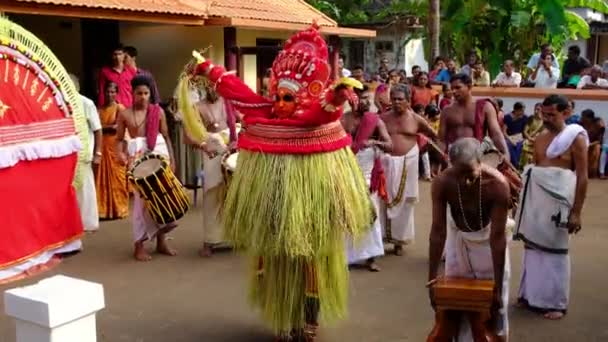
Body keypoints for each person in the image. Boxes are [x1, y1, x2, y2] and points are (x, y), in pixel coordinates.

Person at [185, 24, 372, 341]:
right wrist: (205, 68)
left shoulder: (312, 115)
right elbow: (235, 89)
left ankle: (308, 325)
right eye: (277, 96)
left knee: (312, 264)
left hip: (311, 214)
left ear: (302, 97)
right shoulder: (264, 111)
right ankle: (286, 321)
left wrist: (340, 94)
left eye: (288, 98)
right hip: (275, 215)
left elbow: (326, 110)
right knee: (278, 268)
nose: (280, 104)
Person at [428, 137, 510, 341]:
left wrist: (499, 287)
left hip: (488, 245)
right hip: (458, 243)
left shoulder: (498, 185)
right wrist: (431, 279)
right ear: (450, 164)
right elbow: (438, 232)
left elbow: (498, 239)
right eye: (459, 173)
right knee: (454, 301)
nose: (465, 180)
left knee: (492, 307)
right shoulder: (443, 182)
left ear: (481, 161)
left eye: (470, 173)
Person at [516, 94, 588, 320]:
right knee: (532, 249)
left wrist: (576, 212)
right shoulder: (539, 139)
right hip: (537, 203)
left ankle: (556, 303)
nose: (546, 119)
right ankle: (530, 296)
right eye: (543, 114)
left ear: (566, 112)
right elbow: (537, 174)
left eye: (552, 115)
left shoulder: (575, 138)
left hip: (560, 204)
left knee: (555, 252)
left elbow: (583, 177)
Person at [116, 75, 177, 262]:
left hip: (159, 156)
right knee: (141, 204)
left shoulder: (157, 112)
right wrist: (120, 153)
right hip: (137, 159)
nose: (142, 97)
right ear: (132, 94)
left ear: (151, 94)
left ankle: (161, 241)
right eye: (139, 93)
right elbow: (119, 139)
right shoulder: (125, 114)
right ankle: (139, 245)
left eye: (146, 93)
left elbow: (166, 137)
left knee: (161, 197)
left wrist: (173, 161)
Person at [380, 84, 438, 255]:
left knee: (405, 203)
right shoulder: (382, 118)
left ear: (408, 101)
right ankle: (383, 239)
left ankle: (399, 242)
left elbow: (434, 136)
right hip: (386, 164)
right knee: (383, 201)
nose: (397, 102)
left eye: (400, 99)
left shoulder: (416, 119)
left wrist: (432, 156)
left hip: (408, 163)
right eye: (394, 99)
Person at [184, 76, 237, 257]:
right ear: (205, 87)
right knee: (211, 194)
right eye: (211, 86)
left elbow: (243, 122)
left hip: (231, 153)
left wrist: (238, 139)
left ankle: (232, 237)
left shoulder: (229, 103)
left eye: (217, 86)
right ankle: (209, 241)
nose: (215, 90)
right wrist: (203, 145)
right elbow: (188, 135)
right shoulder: (196, 108)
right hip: (212, 153)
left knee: (231, 196)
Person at [342, 86, 392, 272]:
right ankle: (348, 256)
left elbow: (390, 145)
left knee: (370, 213)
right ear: (351, 100)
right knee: (346, 213)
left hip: (367, 172)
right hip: (345, 169)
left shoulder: (374, 120)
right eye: (361, 99)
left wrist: (374, 142)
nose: (365, 103)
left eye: (367, 99)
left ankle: (371, 257)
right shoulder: (342, 120)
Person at [439, 74, 509, 158]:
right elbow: (441, 140)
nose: (453, 91)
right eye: (452, 88)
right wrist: (441, 159)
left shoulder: (485, 107)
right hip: (453, 158)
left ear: (469, 87)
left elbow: (496, 133)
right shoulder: (446, 111)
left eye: (458, 87)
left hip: (477, 157)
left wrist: (505, 153)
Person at [70, 74, 103, 232]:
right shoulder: (61, 102)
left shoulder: (86, 103)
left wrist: (98, 153)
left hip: (84, 154)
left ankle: (89, 223)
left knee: (86, 189)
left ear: (76, 86)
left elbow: (97, 130)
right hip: (68, 154)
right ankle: (72, 223)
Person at [96, 81, 129, 220]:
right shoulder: (100, 110)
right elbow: (96, 128)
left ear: (117, 93)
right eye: (108, 92)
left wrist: (103, 128)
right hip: (103, 146)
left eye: (113, 92)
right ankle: (104, 210)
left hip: (115, 146)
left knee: (117, 178)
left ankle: (119, 209)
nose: (110, 94)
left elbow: (117, 128)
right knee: (101, 178)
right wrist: (106, 128)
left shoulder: (119, 108)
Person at [580, 109, 605, 179]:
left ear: (589, 118)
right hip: (584, 143)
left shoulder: (598, 124)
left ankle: (592, 172)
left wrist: (590, 144)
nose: (581, 118)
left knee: (596, 148)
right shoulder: (581, 124)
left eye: (583, 117)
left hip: (595, 144)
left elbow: (600, 140)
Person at [519, 103, 544, 169]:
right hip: (529, 141)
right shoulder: (531, 118)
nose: (536, 111)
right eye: (535, 109)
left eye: (538, 109)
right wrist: (530, 138)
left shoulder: (544, 121)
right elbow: (525, 131)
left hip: (538, 142)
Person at [503, 102, 528, 166]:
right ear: (516, 110)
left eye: (523, 111)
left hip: (519, 137)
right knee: (509, 145)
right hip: (509, 137)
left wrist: (526, 138)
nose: (523, 112)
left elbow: (524, 131)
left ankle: (517, 164)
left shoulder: (524, 117)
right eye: (521, 111)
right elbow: (504, 132)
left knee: (520, 145)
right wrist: (510, 140)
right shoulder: (508, 117)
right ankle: (514, 164)